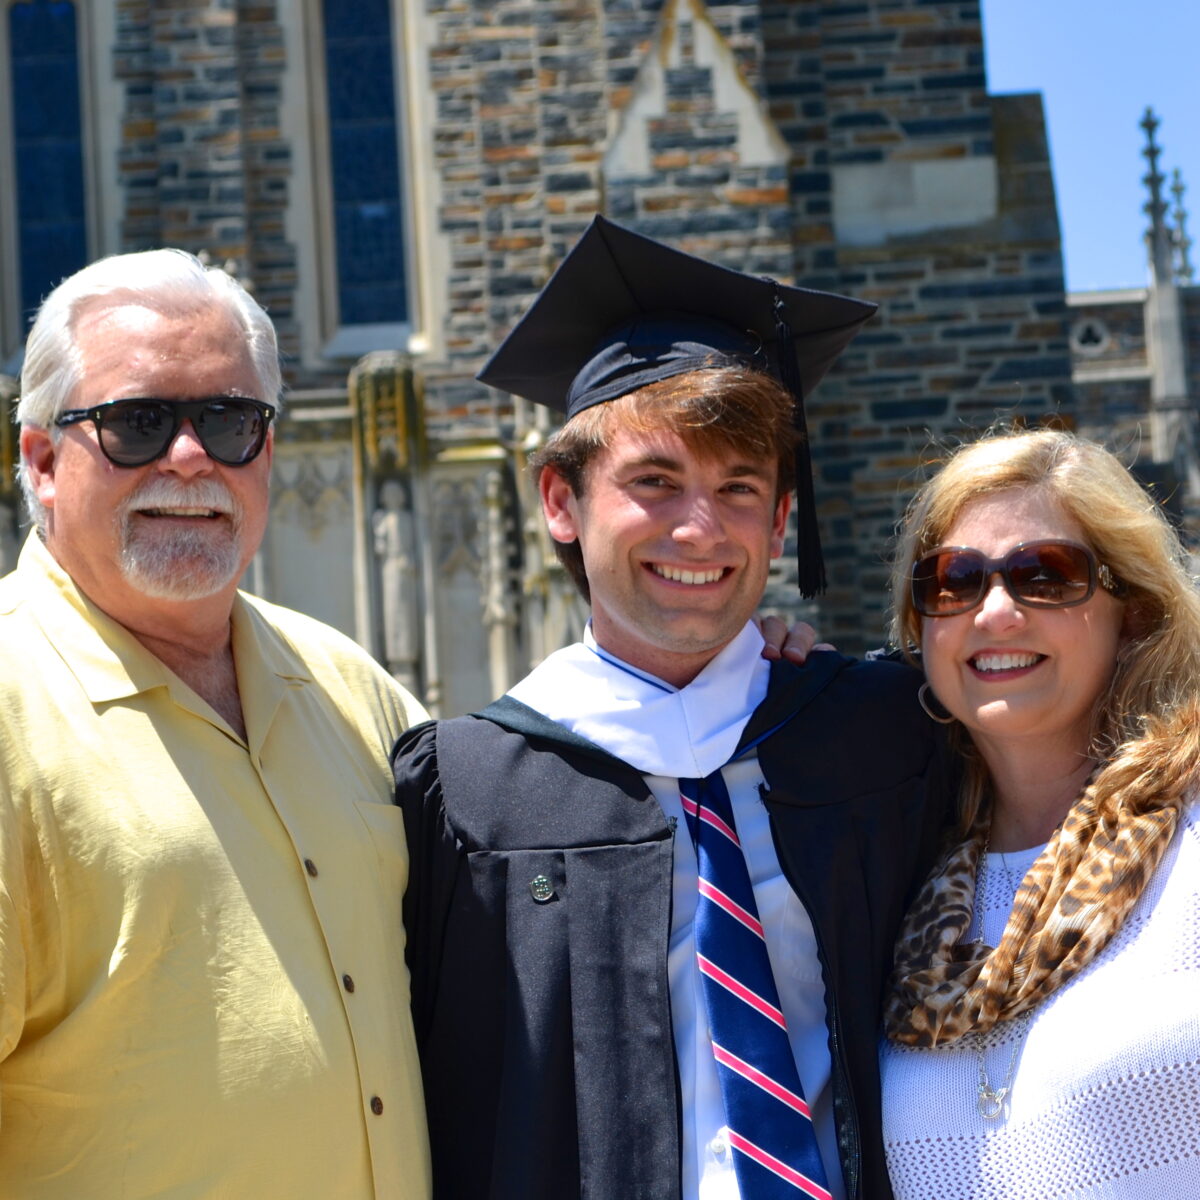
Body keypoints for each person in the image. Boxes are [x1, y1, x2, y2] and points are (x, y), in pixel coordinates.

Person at [394, 215, 949, 1200]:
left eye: (740, 487)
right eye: (654, 482)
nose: (702, 526)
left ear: (783, 520)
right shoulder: (465, 793)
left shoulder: (883, 729)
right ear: (560, 502)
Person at [0, 250, 431, 1197]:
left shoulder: (350, 685)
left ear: (267, 450)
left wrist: (739, 676)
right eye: (137, 423)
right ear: (39, 460)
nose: (189, 458)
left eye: (229, 421)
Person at [879, 429, 1200, 1198]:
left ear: (1134, 612)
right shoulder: (900, 881)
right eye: (953, 581)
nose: (995, 613)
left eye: (1046, 576)